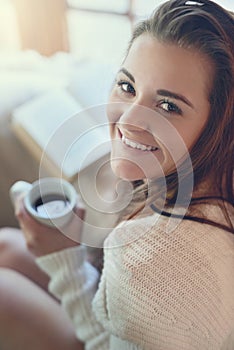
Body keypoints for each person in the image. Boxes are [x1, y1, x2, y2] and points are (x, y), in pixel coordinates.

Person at [0, 0, 233, 349]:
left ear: (221, 127)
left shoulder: (152, 255)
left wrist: (63, 262)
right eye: (127, 86)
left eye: (168, 106)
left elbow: (104, 343)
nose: (126, 121)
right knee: (7, 245)